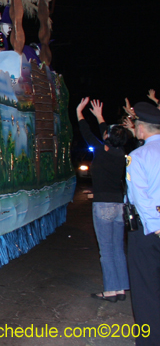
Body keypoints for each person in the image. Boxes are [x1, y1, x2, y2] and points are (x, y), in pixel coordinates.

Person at [76, 98, 130, 302]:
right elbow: (108, 135)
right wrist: (100, 117)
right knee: (117, 248)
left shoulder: (101, 150)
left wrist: (79, 111)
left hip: (103, 206)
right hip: (119, 204)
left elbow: (86, 131)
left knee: (106, 250)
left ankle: (110, 291)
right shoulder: (120, 153)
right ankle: (120, 288)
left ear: (107, 138)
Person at [125, 102, 160, 344]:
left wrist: (156, 226)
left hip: (148, 231)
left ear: (140, 129)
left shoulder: (138, 156)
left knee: (146, 289)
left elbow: (139, 196)